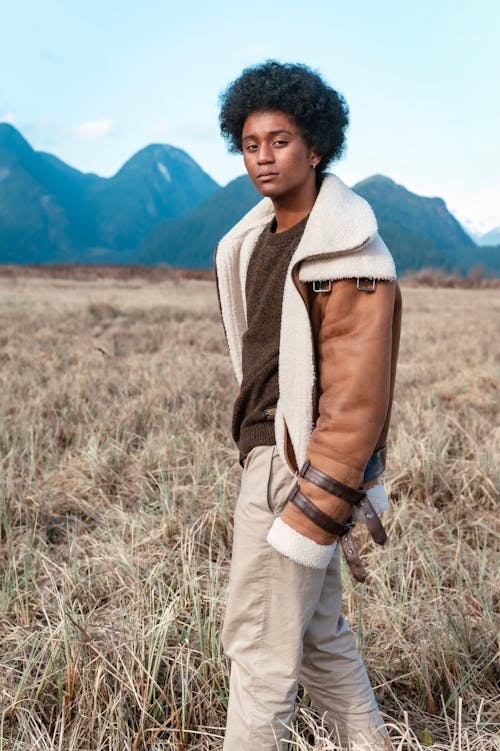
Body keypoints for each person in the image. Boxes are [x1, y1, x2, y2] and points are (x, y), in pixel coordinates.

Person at [215, 61, 402, 751]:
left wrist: (317, 498)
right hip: (264, 458)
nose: (263, 155)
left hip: (294, 471)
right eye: (251, 142)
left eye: (281, 140)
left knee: (258, 650)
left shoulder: (346, 251)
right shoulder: (256, 239)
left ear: (317, 145)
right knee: (320, 641)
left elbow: (356, 401)